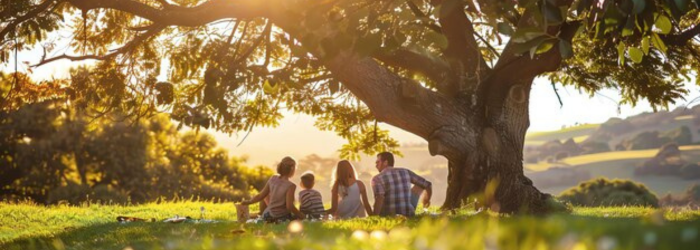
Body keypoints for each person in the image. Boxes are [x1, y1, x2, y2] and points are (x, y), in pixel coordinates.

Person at [239, 156, 304, 222]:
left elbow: (261, 195)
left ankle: (254, 216)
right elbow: (289, 206)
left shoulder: (273, 178)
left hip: (267, 215)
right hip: (281, 217)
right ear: (292, 169)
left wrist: (249, 202)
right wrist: (301, 215)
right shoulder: (291, 186)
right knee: (295, 218)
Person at [371, 152, 432, 216]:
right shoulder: (405, 172)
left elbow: (380, 198)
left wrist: (374, 217)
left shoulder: (377, 179)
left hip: (389, 215)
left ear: (385, 162)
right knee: (420, 185)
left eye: (378, 162)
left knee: (381, 197)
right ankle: (413, 209)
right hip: (408, 214)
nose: (376, 165)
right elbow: (427, 184)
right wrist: (426, 201)